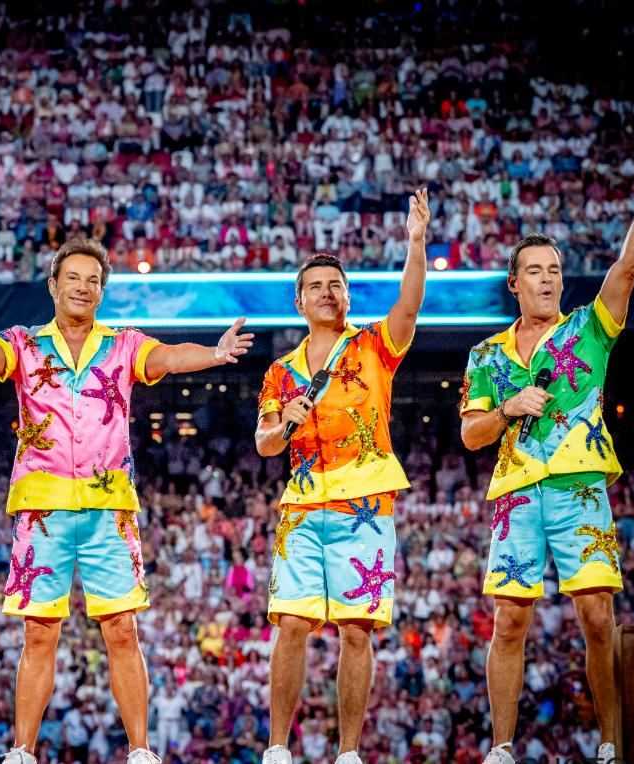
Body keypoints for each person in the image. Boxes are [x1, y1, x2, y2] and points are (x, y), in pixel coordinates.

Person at [0, 237, 253, 764]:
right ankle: (22, 751)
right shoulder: (24, 343)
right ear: (53, 286)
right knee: (39, 634)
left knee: (122, 630)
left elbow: (171, 357)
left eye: (93, 281)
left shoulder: (124, 345)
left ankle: (140, 751)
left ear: (102, 292)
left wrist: (215, 354)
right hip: (42, 509)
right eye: (74, 279)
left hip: (110, 509)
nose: (83, 287)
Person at [459, 138, 634, 764]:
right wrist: (507, 409)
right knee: (509, 622)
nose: (548, 278)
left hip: (579, 486)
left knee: (597, 616)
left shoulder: (588, 328)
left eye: (554, 269)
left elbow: (626, 269)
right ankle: (502, 747)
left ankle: (610, 741)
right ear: (514, 283)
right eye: (535, 270)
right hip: (516, 494)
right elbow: (471, 434)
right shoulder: (486, 356)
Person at [253, 189, 430, 764]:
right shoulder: (280, 372)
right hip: (302, 505)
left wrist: (416, 242)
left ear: (348, 295)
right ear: (299, 300)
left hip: (367, 502)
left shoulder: (375, 344)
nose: (328, 292)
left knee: (357, 630)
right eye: (317, 286)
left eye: (337, 284)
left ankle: (348, 752)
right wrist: (285, 422)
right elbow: (264, 443)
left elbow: (409, 304)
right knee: (292, 624)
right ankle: (277, 749)